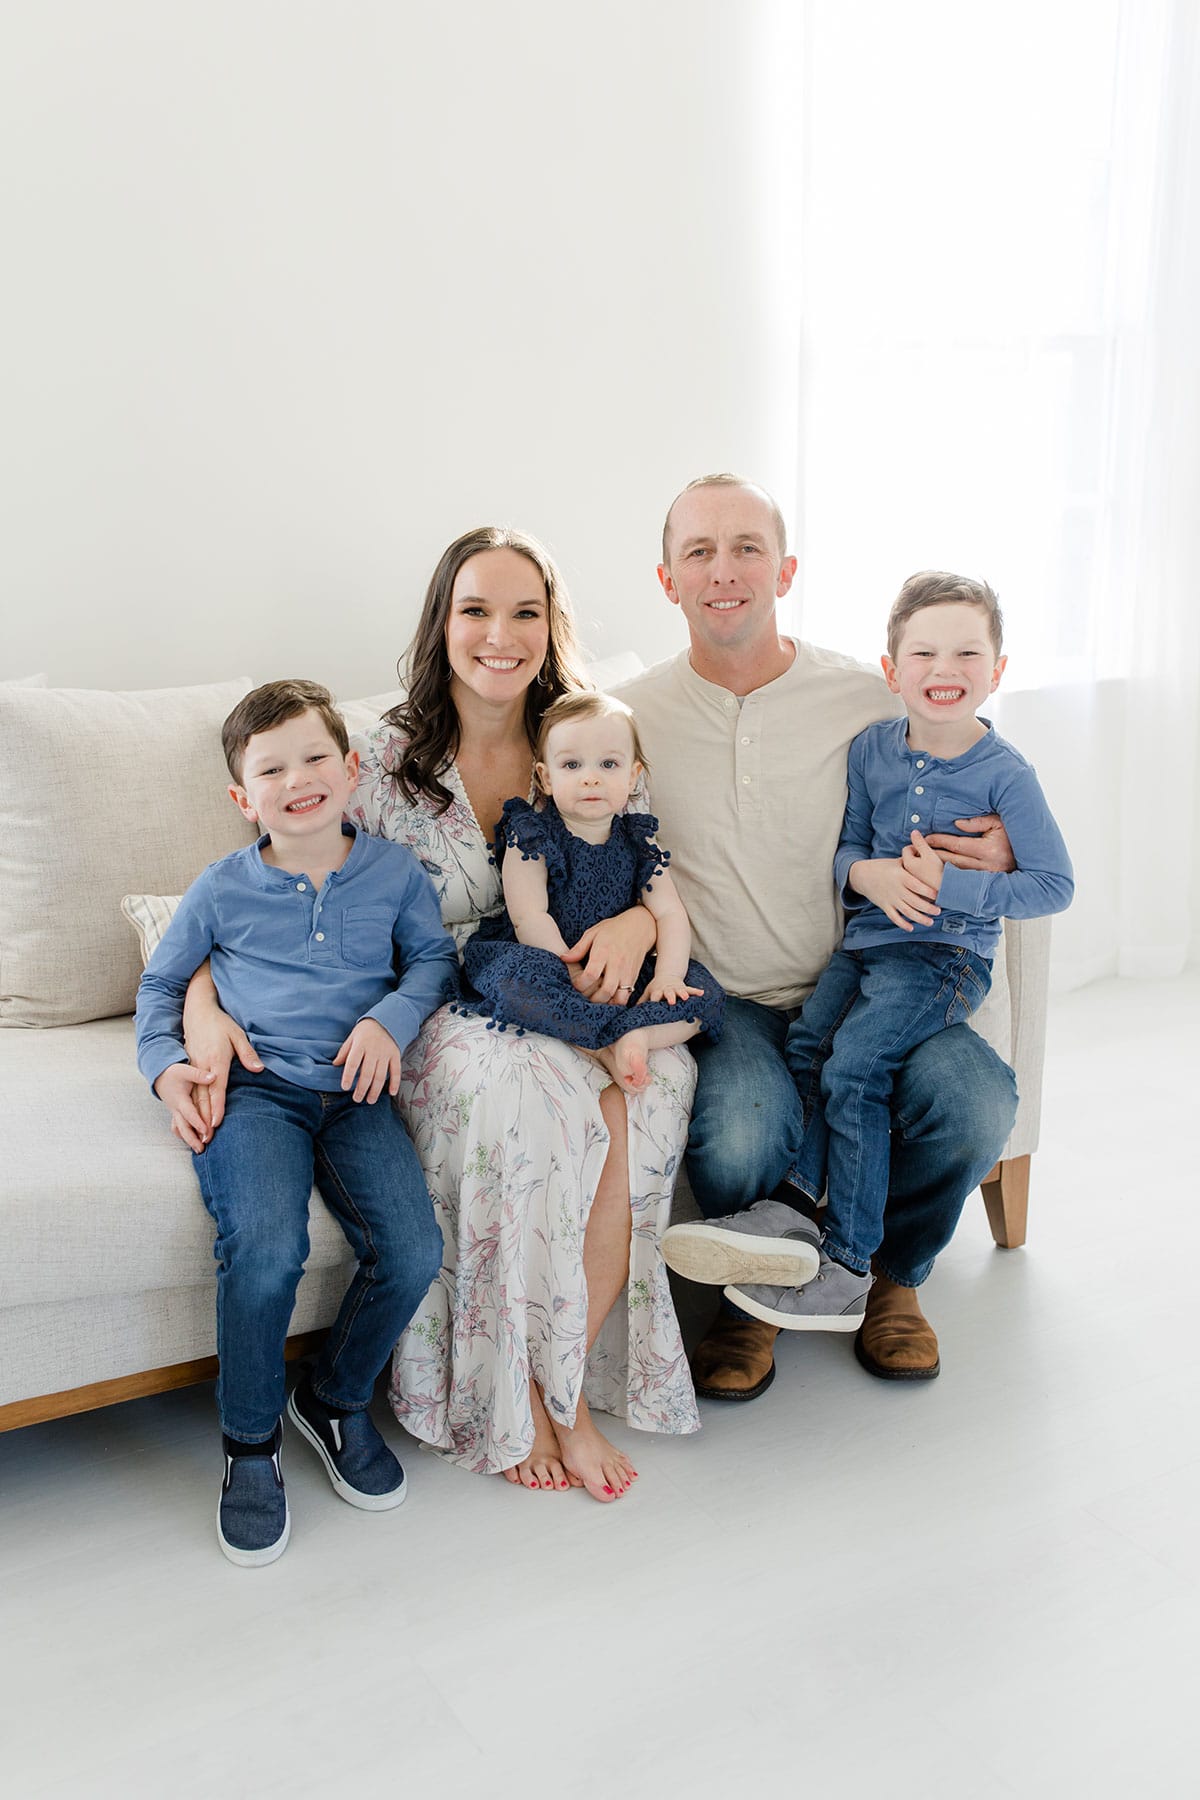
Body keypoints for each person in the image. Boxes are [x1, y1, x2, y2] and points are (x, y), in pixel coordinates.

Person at [181, 529, 702, 1505]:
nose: (499, 635)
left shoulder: (589, 735)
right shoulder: (376, 760)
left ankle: (564, 1387)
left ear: (552, 628)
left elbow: (646, 865)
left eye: (524, 613)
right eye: (476, 610)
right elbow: (260, 895)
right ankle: (535, 1406)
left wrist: (635, 919)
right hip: (442, 1005)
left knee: (644, 1092)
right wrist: (201, 1006)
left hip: (578, 987)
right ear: (442, 621)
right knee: (525, 1100)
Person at [617, 475, 1021, 1400]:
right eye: (700, 552)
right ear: (667, 579)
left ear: (786, 569)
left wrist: (995, 838)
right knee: (742, 1131)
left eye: (748, 548)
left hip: (876, 983)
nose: (725, 571)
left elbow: (965, 739)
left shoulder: (860, 696)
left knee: (974, 1103)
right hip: (735, 1004)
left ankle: (893, 1277)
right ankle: (752, 1300)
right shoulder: (629, 714)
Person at [677, 571, 1073, 1333]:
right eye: (923, 652)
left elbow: (1053, 886)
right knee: (806, 1053)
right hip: (863, 949)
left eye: (967, 653)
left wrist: (957, 887)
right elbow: (849, 849)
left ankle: (853, 1266)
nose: (944, 669)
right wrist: (867, 874)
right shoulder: (871, 750)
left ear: (999, 670)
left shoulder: (1006, 774)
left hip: (939, 961)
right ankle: (789, 1213)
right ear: (892, 672)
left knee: (856, 1069)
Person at [135, 680, 457, 1566]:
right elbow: (161, 989)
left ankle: (335, 1397)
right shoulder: (221, 888)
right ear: (244, 799)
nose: (299, 778)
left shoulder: (393, 873)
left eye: (316, 756)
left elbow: (432, 962)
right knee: (268, 1247)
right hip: (256, 1094)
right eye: (271, 769)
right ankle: (249, 1445)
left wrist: (387, 1021)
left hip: (356, 1095)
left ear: (351, 770)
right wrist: (167, 1070)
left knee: (414, 1249)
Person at [457, 689, 725, 1092]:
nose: (591, 776)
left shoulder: (638, 842)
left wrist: (668, 974)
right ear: (546, 777)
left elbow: (669, 912)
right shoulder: (533, 834)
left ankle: (638, 1036)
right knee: (517, 982)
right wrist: (570, 971)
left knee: (704, 995)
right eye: (572, 764)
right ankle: (603, 1045)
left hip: (625, 970)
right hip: (551, 958)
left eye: (608, 764)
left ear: (633, 776)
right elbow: (529, 915)